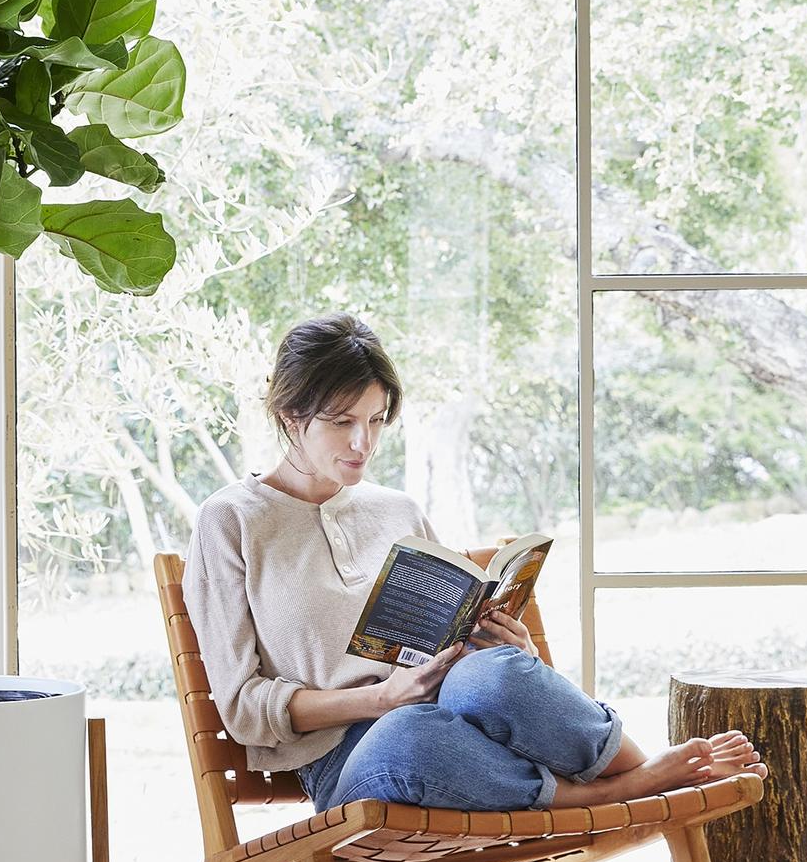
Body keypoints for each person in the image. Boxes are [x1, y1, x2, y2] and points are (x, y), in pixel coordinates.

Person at [183, 313, 766, 816]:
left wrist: (507, 648)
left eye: (377, 419)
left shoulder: (396, 510)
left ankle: (640, 764)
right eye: (342, 422)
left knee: (496, 672)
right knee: (414, 732)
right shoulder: (233, 520)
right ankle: (626, 790)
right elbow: (241, 708)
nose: (363, 442)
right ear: (290, 415)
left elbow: (460, 655)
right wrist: (381, 700)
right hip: (349, 762)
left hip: (454, 719)